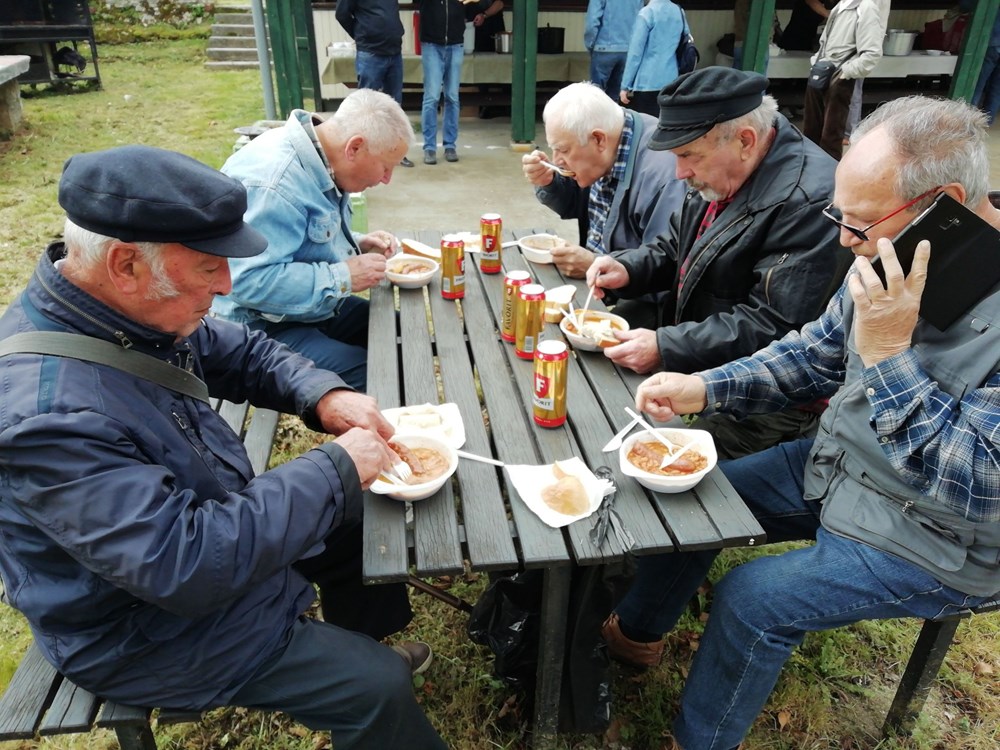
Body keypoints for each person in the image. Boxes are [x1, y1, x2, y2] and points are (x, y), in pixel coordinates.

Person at [0, 145, 446, 750]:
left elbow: (242, 351)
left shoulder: (119, 310)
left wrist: (323, 394)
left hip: (199, 541)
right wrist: (334, 468)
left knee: (359, 514)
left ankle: (364, 642)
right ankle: (367, 673)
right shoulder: (46, 415)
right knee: (377, 689)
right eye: (210, 267)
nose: (228, 285)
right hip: (137, 627)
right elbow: (181, 565)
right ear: (126, 264)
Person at [601, 95, 1000, 750]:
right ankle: (633, 635)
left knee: (753, 600)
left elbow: (980, 485)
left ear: (944, 203)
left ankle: (698, 741)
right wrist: (706, 387)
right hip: (839, 462)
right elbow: (815, 354)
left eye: (860, 224)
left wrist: (888, 356)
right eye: (840, 216)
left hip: (941, 534)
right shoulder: (889, 246)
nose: (846, 242)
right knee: (694, 498)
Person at [587, 67, 848, 459]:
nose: (680, 172)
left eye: (687, 155)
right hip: (706, 360)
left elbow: (774, 325)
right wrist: (629, 268)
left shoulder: (810, 202)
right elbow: (678, 245)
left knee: (666, 467)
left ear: (745, 140)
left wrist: (666, 345)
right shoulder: (723, 170)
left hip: (767, 398)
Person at [212, 89, 412, 392]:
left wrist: (357, 243)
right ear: (355, 147)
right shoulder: (275, 184)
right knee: (377, 376)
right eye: (386, 167)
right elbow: (247, 282)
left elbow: (292, 236)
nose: (387, 179)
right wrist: (344, 276)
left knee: (402, 332)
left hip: (301, 309)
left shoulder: (321, 155)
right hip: (255, 329)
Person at [521, 81, 685, 328]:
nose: (557, 161)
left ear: (598, 139)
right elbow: (578, 206)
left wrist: (596, 264)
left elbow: (666, 271)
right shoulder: (614, 136)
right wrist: (550, 183)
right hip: (598, 280)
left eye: (563, 150)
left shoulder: (662, 176)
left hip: (647, 305)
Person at [335, 0, 415, 167]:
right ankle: (363, 153)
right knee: (365, 108)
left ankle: (396, 152)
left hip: (394, 52)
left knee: (395, 108)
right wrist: (361, 35)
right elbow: (341, 14)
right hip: (370, 53)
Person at [802, 0, 885, 160]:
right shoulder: (840, 6)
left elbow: (872, 54)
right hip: (822, 70)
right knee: (811, 129)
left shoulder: (866, 7)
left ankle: (829, 169)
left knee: (831, 135)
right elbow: (824, 42)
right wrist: (817, 62)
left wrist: (845, 73)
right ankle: (808, 164)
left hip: (841, 75)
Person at [416, 0, 494, 164]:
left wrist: (480, 11)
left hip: (456, 44)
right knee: (432, 97)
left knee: (452, 97)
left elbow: (477, 5)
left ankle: (450, 145)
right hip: (431, 44)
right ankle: (429, 147)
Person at [619, 0, 686, 118]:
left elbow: (635, 53)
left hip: (647, 82)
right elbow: (686, 41)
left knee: (647, 124)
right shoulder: (679, 11)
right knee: (665, 122)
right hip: (672, 79)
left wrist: (625, 86)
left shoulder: (647, 13)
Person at [585, 0, 644, 99]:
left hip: (603, 48)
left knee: (596, 94)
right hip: (627, 49)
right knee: (615, 94)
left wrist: (590, 44)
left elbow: (592, 22)